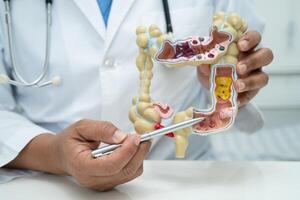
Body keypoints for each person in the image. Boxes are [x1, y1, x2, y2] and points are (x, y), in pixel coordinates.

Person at [0, 0, 273, 191]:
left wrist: (231, 77)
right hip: (46, 181)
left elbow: (241, 48)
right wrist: (54, 154)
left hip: (182, 176)